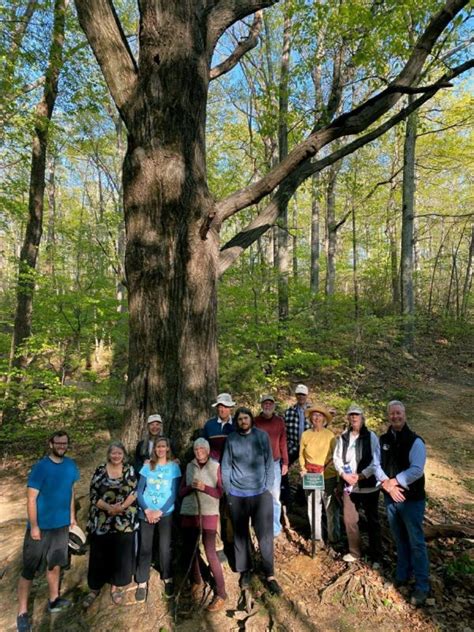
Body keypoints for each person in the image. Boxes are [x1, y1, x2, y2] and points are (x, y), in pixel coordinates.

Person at [17, 431, 79, 632]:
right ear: (51, 443)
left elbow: (71, 491)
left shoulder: (70, 466)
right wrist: (34, 525)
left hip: (61, 526)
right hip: (40, 528)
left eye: (65, 443)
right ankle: (23, 612)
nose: (62, 446)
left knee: (55, 564)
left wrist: (72, 517)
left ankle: (54, 600)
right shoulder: (40, 467)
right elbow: (31, 498)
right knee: (29, 570)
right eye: (58, 443)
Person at [221, 407, 282, 596]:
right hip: (237, 494)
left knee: (265, 535)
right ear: (236, 422)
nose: (243, 421)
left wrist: (268, 486)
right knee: (240, 535)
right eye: (239, 419)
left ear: (251, 420)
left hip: (260, 493)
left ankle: (269, 574)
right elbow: (226, 466)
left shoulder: (261, 436)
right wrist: (228, 490)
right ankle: (245, 571)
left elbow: (269, 462)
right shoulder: (231, 439)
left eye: (245, 418)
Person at [374, 400, 430, 606]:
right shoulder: (383, 440)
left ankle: (422, 586)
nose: (395, 416)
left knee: (416, 542)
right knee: (399, 539)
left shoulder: (416, 441)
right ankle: (402, 576)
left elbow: (417, 470)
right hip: (390, 498)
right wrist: (387, 486)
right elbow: (375, 464)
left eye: (398, 413)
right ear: (388, 416)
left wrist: (393, 482)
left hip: (411, 500)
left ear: (404, 415)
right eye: (392, 414)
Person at [85, 441, 137, 608]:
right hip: (101, 519)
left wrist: (120, 508)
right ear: (109, 454)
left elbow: (134, 492)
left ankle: (116, 586)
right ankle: (94, 587)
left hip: (124, 519)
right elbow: (93, 494)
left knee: (120, 554)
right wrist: (109, 508)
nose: (116, 456)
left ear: (124, 455)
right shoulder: (100, 470)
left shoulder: (129, 469)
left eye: (119, 453)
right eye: (113, 453)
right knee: (99, 553)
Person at [179, 438, 227, 612]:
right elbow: (181, 491)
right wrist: (191, 487)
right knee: (191, 550)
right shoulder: (189, 466)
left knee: (210, 552)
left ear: (207, 450)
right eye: (196, 449)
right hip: (189, 512)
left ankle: (221, 592)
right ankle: (197, 580)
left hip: (208, 513)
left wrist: (204, 487)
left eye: (202, 449)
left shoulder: (215, 466)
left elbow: (220, 493)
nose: (199, 451)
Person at [333, 404, 381, 564]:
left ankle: (376, 555)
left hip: (368, 486)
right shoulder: (343, 437)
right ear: (348, 418)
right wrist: (343, 474)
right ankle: (355, 552)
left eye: (357, 415)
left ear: (362, 418)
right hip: (349, 486)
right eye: (351, 415)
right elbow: (337, 458)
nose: (354, 418)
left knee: (372, 520)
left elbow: (376, 461)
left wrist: (361, 475)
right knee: (349, 519)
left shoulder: (371, 437)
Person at [135, 437, 181, 601]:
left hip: (165, 513)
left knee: (164, 547)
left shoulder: (174, 467)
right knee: (145, 547)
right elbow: (139, 491)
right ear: (154, 449)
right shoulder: (147, 466)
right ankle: (141, 582)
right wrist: (147, 510)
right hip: (145, 512)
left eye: (163, 446)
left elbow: (174, 493)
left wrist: (160, 512)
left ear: (168, 448)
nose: (160, 449)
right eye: (158, 447)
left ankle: (167, 577)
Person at [299, 402, 339, 545]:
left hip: (327, 476)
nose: (316, 418)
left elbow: (336, 457)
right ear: (310, 418)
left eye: (319, 415)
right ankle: (316, 537)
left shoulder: (330, 436)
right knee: (312, 506)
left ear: (324, 419)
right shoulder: (305, 435)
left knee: (330, 507)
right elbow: (301, 455)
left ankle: (333, 537)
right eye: (314, 415)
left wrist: (327, 471)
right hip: (310, 476)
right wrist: (303, 469)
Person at [254, 395, 288, 537]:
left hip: (274, 463)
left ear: (273, 405)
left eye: (270, 403)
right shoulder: (255, 421)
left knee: (274, 495)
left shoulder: (279, 421)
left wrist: (285, 462)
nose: (267, 406)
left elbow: (283, 442)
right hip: (258, 463)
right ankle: (260, 525)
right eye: (265, 403)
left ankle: (275, 527)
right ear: (261, 405)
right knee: (259, 495)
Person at [202, 393, 236, 462]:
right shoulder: (209, 425)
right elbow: (204, 445)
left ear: (230, 408)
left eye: (226, 407)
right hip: (214, 464)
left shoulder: (237, 424)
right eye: (220, 407)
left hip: (234, 463)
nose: (223, 410)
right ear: (217, 408)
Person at [284, 384, 311, 466]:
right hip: (293, 445)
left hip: (309, 446)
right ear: (296, 395)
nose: (301, 396)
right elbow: (284, 430)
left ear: (307, 395)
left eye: (303, 394)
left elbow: (320, 427)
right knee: (284, 466)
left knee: (310, 470)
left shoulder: (313, 411)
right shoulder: (289, 412)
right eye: (299, 394)